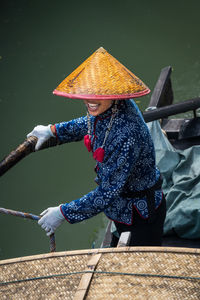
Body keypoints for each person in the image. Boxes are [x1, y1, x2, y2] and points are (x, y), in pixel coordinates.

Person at [27, 47, 166, 246]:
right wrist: (53, 130)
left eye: (99, 95)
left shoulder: (127, 134)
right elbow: (90, 123)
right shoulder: (111, 106)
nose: (91, 101)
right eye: (87, 94)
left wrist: (64, 212)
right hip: (121, 208)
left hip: (141, 214)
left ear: (114, 93)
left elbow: (107, 192)